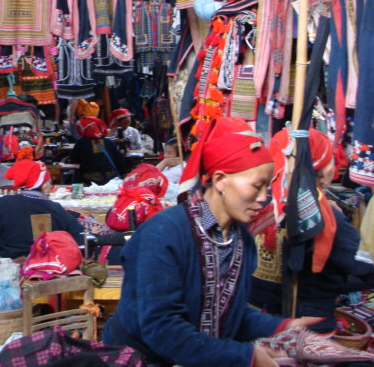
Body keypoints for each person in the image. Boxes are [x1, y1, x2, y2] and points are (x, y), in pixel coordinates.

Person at [102, 117, 319, 367]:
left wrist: (281, 328)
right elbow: (162, 327)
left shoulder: (242, 242)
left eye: (267, 188)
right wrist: (248, 357)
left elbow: (229, 314)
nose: (263, 198)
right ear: (219, 180)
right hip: (137, 359)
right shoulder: (163, 234)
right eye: (256, 186)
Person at [250, 128, 374, 333]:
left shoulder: (256, 203)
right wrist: (337, 279)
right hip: (307, 332)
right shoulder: (324, 216)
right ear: (324, 170)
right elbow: (368, 269)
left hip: (256, 324)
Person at [0, 159, 84, 259]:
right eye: (50, 183)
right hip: (47, 268)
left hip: (10, 269)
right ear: (44, 186)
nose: (51, 187)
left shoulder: (5, 204)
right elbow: (80, 236)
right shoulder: (54, 208)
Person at [69, 116, 127, 185]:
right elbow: (120, 161)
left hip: (88, 182)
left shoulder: (81, 143)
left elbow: (73, 160)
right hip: (109, 181)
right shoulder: (108, 142)